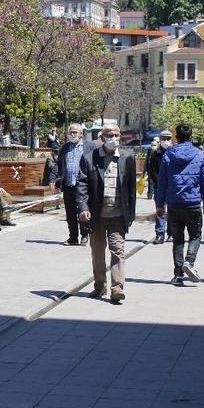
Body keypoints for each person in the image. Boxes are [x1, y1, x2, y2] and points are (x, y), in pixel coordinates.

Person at [76, 123, 137, 303]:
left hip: (118, 215)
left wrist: (130, 215)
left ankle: (117, 288)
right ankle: (99, 285)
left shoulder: (128, 158)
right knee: (97, 252)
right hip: (96, 215)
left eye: (117, 135)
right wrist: (83, 208)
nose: (114, 138)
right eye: (110, 135)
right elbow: (82, 185)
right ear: (102, 138)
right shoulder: (89, 158)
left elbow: (131, 189)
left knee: (118, 251)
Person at [154, 124, 204, 286]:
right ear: (191, 137)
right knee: (195, 236)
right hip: (193, 203)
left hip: (173, 203)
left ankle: (178, 274)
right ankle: (189, 262)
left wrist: (160, 204)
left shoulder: (168, 155)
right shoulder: (200, 155)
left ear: (176, 137)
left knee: (177, 239)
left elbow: (162, 182)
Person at [55, 123, 92, 246]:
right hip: (68, 185)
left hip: (83, 186)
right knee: (70, 213)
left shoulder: (88, 147)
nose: (72, 134)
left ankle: (85, 235)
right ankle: (73, 237)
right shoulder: (64, 148)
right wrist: (57, 180)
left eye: (75, 132)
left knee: (82, 211)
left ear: (81, 134)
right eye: (70, 132)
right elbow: (60, 166)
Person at [147, 130, 173, 244]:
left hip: (172, 187)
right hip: (159, 187)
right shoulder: (155, 154)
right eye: (164, 139)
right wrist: (158, 182)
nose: (166, 141)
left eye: (168, 139)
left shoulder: (175, 153)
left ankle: (171, 233)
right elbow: (151, 170)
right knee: (160, 210)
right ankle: (160, 234)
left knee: (172, 211)